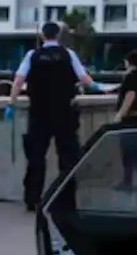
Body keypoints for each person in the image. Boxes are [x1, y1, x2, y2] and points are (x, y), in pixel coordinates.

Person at [12, 21, 97, 211]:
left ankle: (33, 199)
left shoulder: (32, 55)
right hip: (64, 112)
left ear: (43, 36)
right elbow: (84, 79)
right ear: (58, 36)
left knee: (36, 157)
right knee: (68, 157)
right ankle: (66, 198)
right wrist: (98, 87)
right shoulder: (68, 55)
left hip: (39, 112)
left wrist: (11, 102)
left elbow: (18, 80)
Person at [114, 49, 137, 192]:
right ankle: (130, 181)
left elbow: (130, 95)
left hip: (130, 119)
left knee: (132, 151)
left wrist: (120, 114)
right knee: (131, 151)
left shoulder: (131, 77)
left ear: (130, 62)